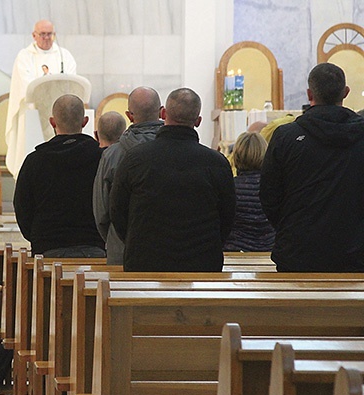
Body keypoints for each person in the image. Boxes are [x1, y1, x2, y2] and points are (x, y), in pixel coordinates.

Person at [110, 88, 236, 273]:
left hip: (145, 263)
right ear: (198, 121)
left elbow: (117, 211)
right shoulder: (216, 163)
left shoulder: (135, 159)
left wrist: (134, 240)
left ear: (163, 114)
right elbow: (227, 216)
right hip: (202, 265)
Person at [260, 62, 364, 272]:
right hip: (356, 252)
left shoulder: (285, 137)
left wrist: (290, 226)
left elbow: (269, 195)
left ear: (309, 94)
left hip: (298, 253)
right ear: (346, 92)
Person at [13, 94, 105, 258]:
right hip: (94, 245)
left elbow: (22, 206)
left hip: (48, 247)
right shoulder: (102, 158)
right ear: (85, 121)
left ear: (52, 122)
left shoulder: (35, 161)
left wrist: (37, 236)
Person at [92, 87, 163, 265]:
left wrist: (115, 238)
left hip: (122, 251)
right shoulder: (176, 151)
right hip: (168, 249)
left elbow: (101, 212)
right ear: (162, 112)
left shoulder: (111, 155)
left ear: (129, 116)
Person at [5, 19, 77, 177]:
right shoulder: (25, 56)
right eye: (42, 34)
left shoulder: (64, 56)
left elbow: (70, 82)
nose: (46, 38)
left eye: (49, 34)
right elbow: (26, 86)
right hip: (33, 113)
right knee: (30, 152)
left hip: (59, 114)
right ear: (34, 35)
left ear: (54, 35)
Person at [223, 132, 275, 252]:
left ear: (236, 156)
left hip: (235, 252)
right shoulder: (273, 187)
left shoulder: (230, 187)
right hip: (270, 251)